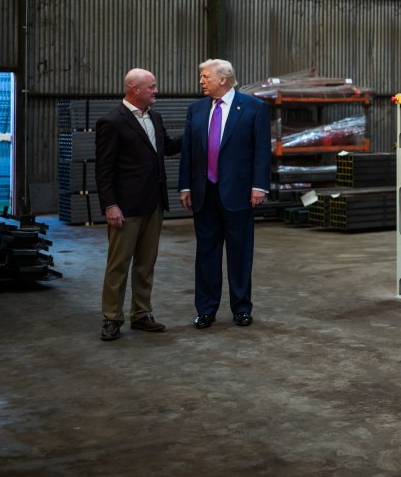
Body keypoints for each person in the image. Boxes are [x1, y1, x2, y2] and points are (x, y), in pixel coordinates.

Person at [178, 59, 271, 329]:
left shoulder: (254, 108)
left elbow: (262, 151)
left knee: (240, 253)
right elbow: (188, 152)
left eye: (205, 76)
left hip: (240, 193)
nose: (201, 81)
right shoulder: (195, 110)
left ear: (223, 79)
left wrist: (259, 186)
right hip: (204, 193)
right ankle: (206, 309)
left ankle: (241, 307)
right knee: (206, 253)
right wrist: (185, 185)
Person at [96, 68, 182, 341]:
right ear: (134, 89)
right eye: (152, 87)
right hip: (126, 207)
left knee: (146, 263)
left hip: (153, 204)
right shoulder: (112, 121)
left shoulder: (154, 118)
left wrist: (197, 131)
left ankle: (141, 314)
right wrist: (111, 205)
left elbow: (166, 147)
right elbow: (104, 169)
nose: (156, 91)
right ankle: (112, 318)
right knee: (118, 264)